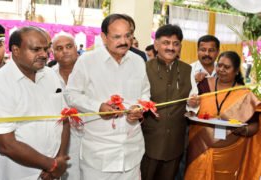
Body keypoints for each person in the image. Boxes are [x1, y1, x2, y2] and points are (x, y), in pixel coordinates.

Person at [64, 13, 150, 180]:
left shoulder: (138, 61)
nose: (124, 41)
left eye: (128, 36)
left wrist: (139, 108)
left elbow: (145, 92)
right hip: (99, 155)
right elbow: (71, 94)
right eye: (117, 37)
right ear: (104, 37)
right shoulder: (87, 61)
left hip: (131, 152)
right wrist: (98, 107)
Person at [0, 26, 70, 180]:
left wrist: (59, 160)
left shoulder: (50, 75)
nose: (44, 54)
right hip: (17, 173)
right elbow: (7, 145)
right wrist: (51, 165)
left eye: (46, 49)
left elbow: (64, 120)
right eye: (36, 49)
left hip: (53, 172)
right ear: (16, 50)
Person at [185, 51, 260, 180]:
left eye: (227, 67)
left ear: (236, 71)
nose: (221, 70)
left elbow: (255, 125)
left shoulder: (244, 95)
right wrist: (190, 104)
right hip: (199, 149)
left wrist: (244, 130)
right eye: (219, 65)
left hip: (229, 156)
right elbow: (190, 111)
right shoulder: (203, 85)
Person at [141, 24, 199, 180]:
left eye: (175, 44)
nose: (171, 47)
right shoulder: (144, 68)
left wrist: (193, 104)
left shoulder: (188, 70)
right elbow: (139, 99)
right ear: (156, 44)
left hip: (175, 142)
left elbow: (193, 99)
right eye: (166, 42)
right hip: (148, 141)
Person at [51, 33, 80, 179]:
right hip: (59, 141)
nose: (65, 51)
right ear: (53, 53)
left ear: (76, 48)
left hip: (91, 137)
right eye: (59, 48)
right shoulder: (47, 77)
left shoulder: (90, 72)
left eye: (69, 46)